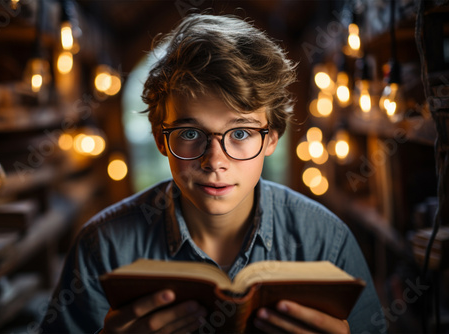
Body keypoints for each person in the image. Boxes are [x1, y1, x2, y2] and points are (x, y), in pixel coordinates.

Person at [40, 13, 385, 333]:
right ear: (162, 140)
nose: (215, 161)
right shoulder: (102, 247)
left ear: (271, 141)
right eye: (191, 134)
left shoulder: (327, 240)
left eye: (240, 133)